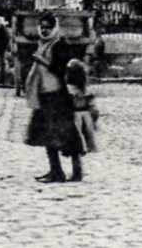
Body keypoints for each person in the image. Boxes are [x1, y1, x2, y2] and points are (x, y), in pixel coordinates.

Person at [24, 13, 82, 183]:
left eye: (48, 27)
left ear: (54, 28)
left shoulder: (59, 45)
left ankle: (76, 172)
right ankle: (55, 171)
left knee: (66, 135)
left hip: (57, 96)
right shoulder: (43, 44)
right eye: (42, 27)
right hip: (45, 94)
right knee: (47, 136)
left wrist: (41, 61)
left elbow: (60, 69)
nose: (44, 30)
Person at [65, 57, 99, 166]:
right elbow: (94, 108)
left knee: (75, 145)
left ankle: (77, 170)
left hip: (74, 117)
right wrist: (93, 121)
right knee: (82, 143)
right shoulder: (86, 90)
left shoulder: (68, 89)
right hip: (86, 117)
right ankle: (79, 169)